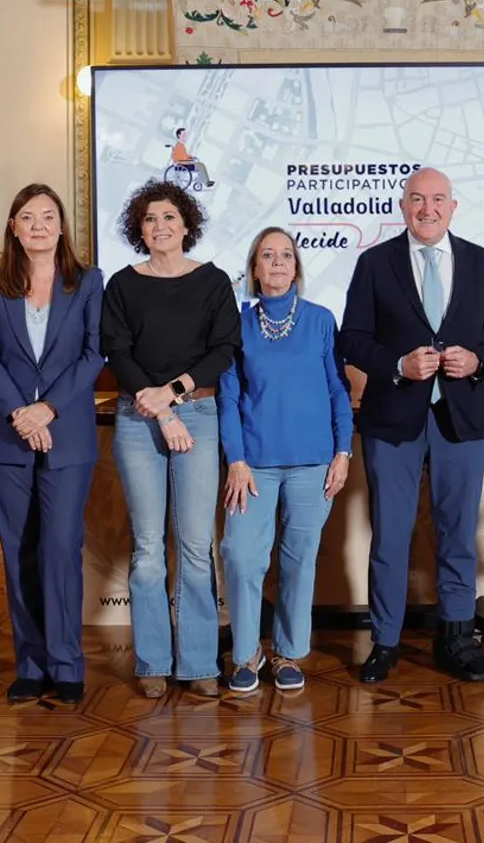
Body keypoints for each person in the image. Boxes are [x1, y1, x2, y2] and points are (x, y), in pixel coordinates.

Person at [341, 167, 484, 683]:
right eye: (418, 199)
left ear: (453, 206)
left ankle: (458, 638)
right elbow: (352, 338)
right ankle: (385, 642)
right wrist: (398, 365)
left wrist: (479, 360)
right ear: (402, 206)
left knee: (458, 532)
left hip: (461, 418)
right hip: (392, 419)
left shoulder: (482, 263)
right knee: (390, 535)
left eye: (438, 199)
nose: (428, 208)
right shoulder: (374, 264)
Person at [102, 179, 241, 697]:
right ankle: (154, 662)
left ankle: (200, 663)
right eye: (149, 220)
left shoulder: (214, 281)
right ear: (139, 230)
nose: (160, 227)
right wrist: (158, 409)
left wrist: (175, 395)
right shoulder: (122, 284)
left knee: (195, 546)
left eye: (169, 217)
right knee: (145, 547)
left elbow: (224, 349)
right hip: (138, 418)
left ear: (187, 225)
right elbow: (117, 352)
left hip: (198, 415)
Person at [0, 184, 105, 706]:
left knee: (61, 549)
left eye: (49, 217)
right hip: (8, 436)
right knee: (18, 548)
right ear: (14, 228)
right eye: (28, 217)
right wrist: (20, 415)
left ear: (62, 227)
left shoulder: (87, 283)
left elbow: (94, 354)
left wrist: (46, 409)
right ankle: (30, 662)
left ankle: (67, 662)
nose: (39, 226)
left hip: (66, 435)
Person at [219, 228, 353, 695]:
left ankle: (288, 652)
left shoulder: (319, 320)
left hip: (314, 461)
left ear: (296, 267)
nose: (277, 262)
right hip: (252, 465)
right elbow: (229, 397)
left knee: (299, 562)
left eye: (286, 255)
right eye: (266, 255)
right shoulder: (236, 324)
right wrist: (235, 460)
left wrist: (343, 451)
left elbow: (339, 389)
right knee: (240, 555)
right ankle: (246, 654)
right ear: (254, 269)